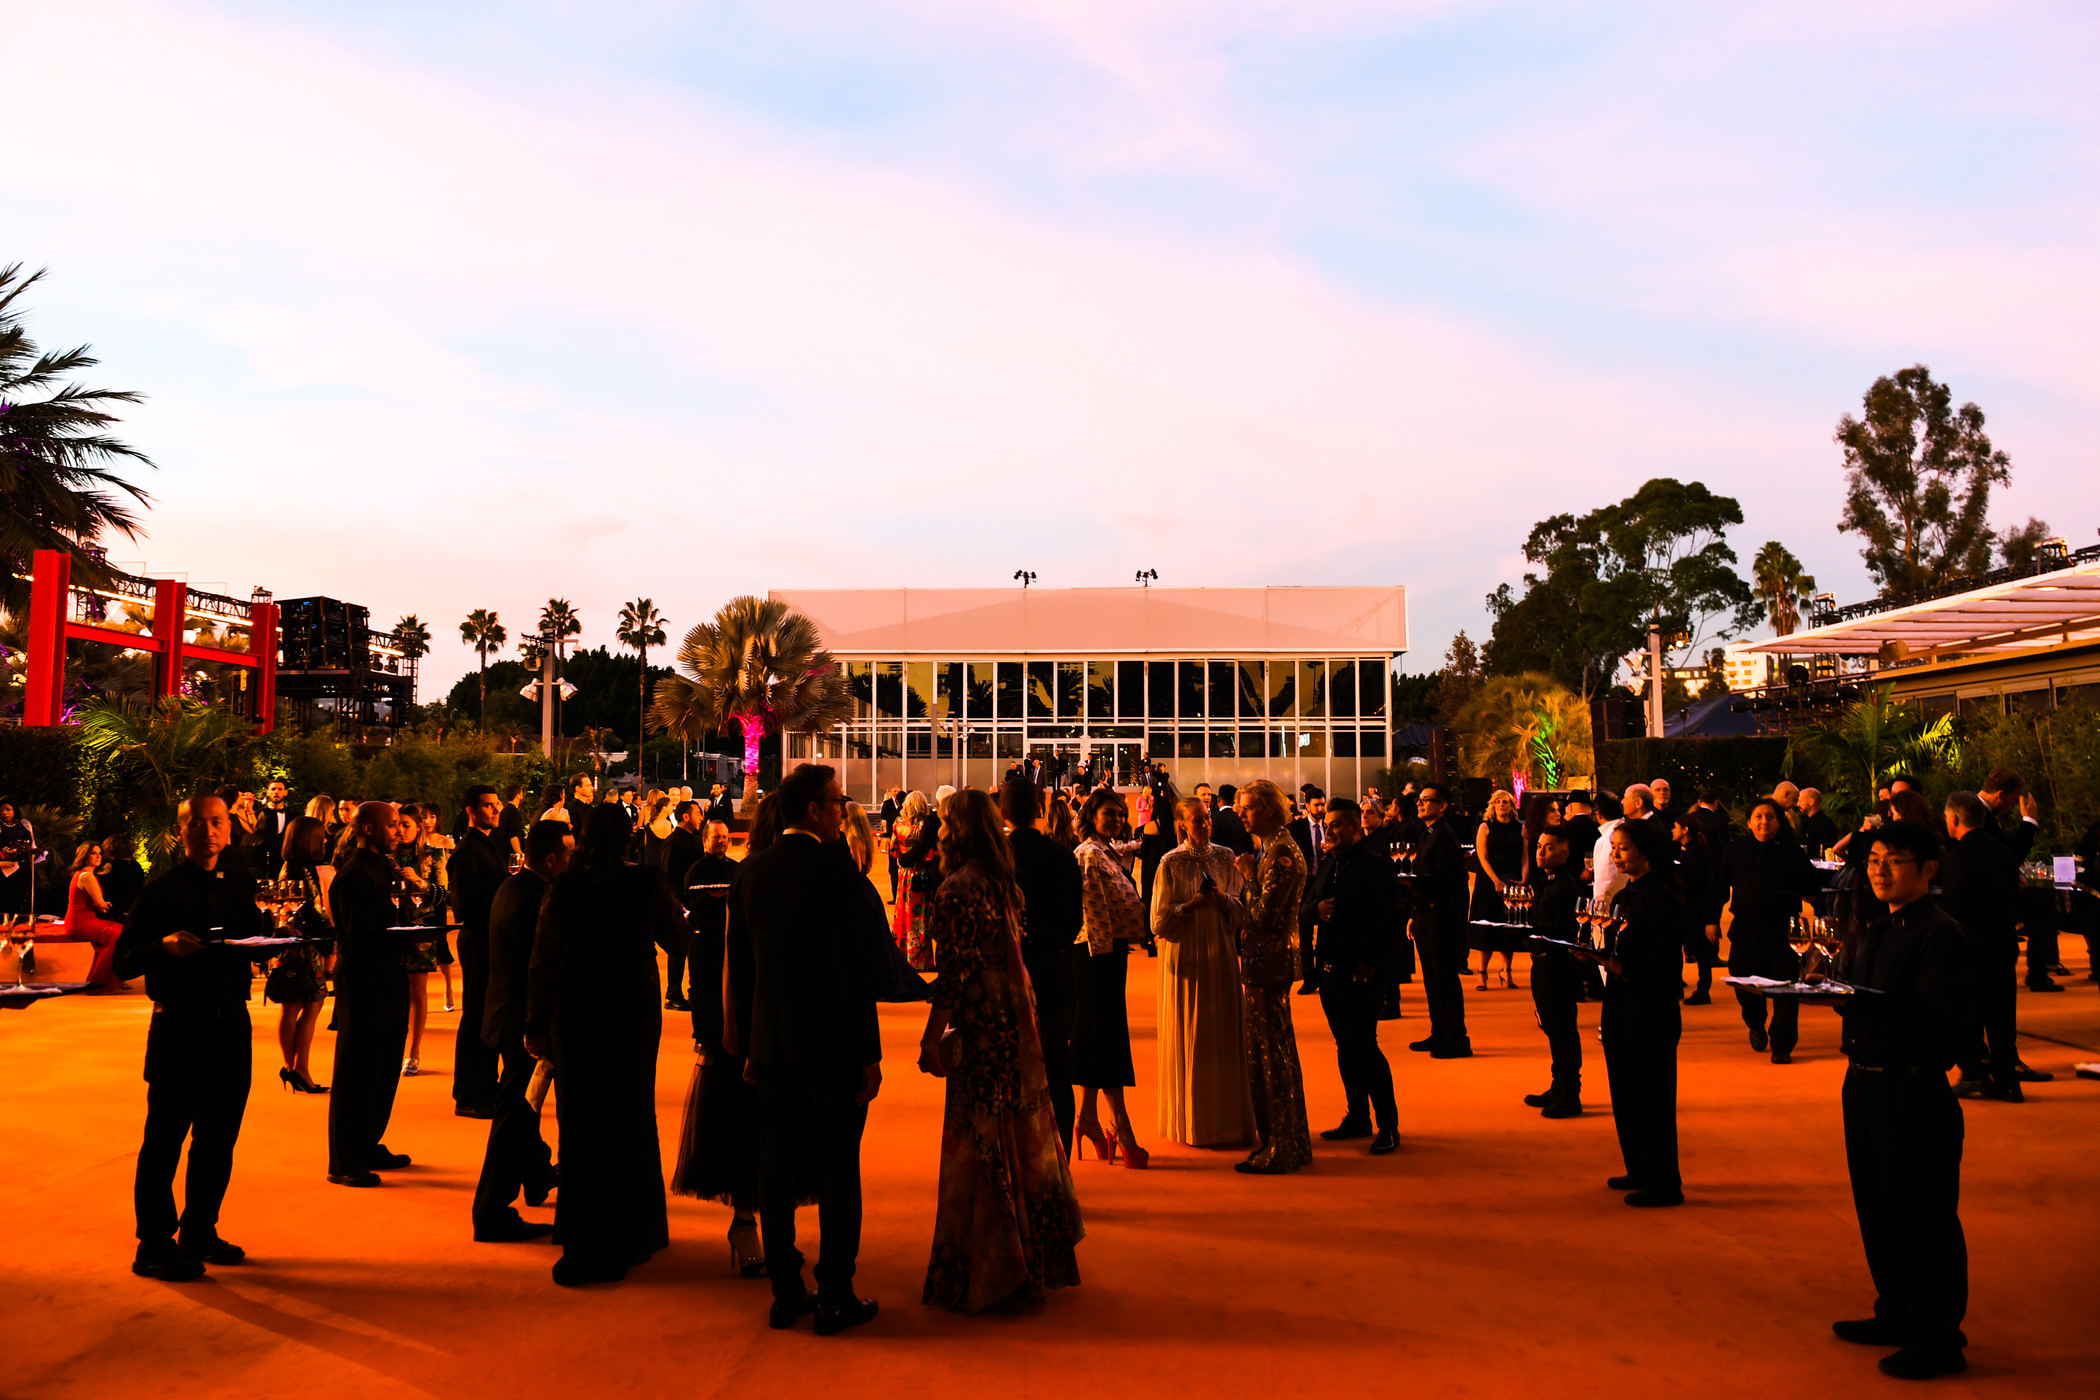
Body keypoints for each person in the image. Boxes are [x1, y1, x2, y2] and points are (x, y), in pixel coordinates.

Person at [916, 788, 1085, 1313]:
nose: (939, 829)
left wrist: (930, 1038)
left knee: (981, 1134)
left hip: (983, 1026)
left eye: (945, 821)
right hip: (1017, 1017)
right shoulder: (1001, 882)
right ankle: (1027, 1256)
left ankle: (993, 1263)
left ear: (958, 828)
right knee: (1018, 1129)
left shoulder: (958, 887)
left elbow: (953, 973)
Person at [734, 764, 883, 1335]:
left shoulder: (753, 871)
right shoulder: (836, 869)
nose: (843, 811)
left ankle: (785, 1291)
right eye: (838, 802)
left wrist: (748, 1043)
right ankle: (835, 1294)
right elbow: (854, 969)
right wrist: (868, 1054)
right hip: (832, 1046)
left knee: (775, 1168)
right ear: (815, 810)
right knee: (839, 1170)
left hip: (771, 1045)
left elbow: (743, 970)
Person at [1827, 821, 1973, 1380]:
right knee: (1878, 1208)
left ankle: (1939, 1336)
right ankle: (1895, 1311)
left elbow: (1943, 1026)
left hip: (1912, 1089)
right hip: (1864, 1082)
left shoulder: (1940, 935)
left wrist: (1862, 1004)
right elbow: (1858, 1001)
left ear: (1929, 869)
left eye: (1894, 860)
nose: (1880, 870)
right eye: (1874, 860)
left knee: (1922, 1216)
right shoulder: (1879, 928)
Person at [113, 795, 268, 1280]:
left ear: (229, 828)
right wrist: (162, 945)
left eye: (217, 822)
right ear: (181, 831)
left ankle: (200, 1230)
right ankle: (154, 1244)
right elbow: (123, 961)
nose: (209, 831)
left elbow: (251, 939)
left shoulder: (240, 882)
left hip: (231, 1024)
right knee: (164, 1139)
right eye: (197, 824)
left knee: (218, 1138)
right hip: (179, 1024)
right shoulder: (160, 891)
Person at [527, 803, 676, 1286]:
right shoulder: (648, 882)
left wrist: (535, 1023)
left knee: (581, 1118)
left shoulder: (565, 887)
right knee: (632, 1112)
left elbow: (544, 957)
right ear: (630, 837)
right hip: (633, 1002)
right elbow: (682, 940)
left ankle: (584, 1234)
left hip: (580, 1005)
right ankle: (637, 1230)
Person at [673, 805, 769, 1275]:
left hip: (766, 1019)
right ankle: (747, 1219)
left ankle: (758, 1222)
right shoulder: (702, 871)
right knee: (744, 1121)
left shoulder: (745, 876)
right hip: (733, 1015)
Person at [472, 820, 565, 1243]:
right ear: (551, 860)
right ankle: (492, 1210)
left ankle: (536, 1174)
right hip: (521, 1024)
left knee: (520, 1112)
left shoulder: (515, 888)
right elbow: (539, 970)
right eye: (569, 854)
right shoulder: (534, 901)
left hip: (505, 1014)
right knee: (515, 1115)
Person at [1587, 817, 1684, 1206]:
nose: (1615, 854)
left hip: (1650, 1006)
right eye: (1614, 848)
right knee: (1624, 1090)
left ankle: (1664, 1181)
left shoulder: (1662, 896)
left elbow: (1662, 960)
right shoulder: (1628, 894)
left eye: (1623, 848)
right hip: (1621, 1001)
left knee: (1652, 1095)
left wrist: (1618, 964)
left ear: (1646, 852)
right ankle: (1639, 1167)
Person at [1150, 796, 1255, 1149]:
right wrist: (1190, 905)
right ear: (1182, 824)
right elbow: (1158, 923)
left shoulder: (1226, 857)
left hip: (1222, 954)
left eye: (1207, 818)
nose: (1204, 825)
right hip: (1186, 956)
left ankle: (1227, 1118)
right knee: (1191, 1030)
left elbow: (1242, 913)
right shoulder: (1170, 863)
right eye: (1196, 820)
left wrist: (1224, 901)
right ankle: (1194, 1121)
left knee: (1222, 1029)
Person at [326, 802, 415, 1187]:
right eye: (392, 825)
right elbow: (357, 935)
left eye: (399, 825)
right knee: (358, 1066)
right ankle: (344, 1158)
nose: (398, 831)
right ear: (366, 828)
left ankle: (368, 1141)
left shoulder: (386, 868)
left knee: (384, 1063)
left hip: (390, 971)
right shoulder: (353, 874)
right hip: (363, 976)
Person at [1230, 781, 1314, 1174]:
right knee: (1269, 1055)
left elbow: (1266, 915)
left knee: (1272, 1057)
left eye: (1247, 807)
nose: (1241, 814)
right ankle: (1285, 1141)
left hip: (1270, 964)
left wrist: (1247, 878)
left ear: (1268, 809)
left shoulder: (1280, 850)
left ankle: (1283, 1146)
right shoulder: (1273, 846)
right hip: (1264, 963)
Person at [1312, 798, 1401, 1155]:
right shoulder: (1328, 866)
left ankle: (1388, 1125)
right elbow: (1306, 906)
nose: (1329, 830)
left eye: (1336, 825)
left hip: (1362, 973)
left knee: (1364, 1046)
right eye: (1328, 824)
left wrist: (1372, 964)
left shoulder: (1376, 866)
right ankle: (1357, 1116)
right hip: (1330, 971)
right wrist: (1314, 910)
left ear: (1354, 827)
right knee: (1344, 1047)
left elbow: (1391, 919)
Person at [1003, 778, 1081, 1155]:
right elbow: (1075, 918)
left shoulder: (1000, 856)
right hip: (1057, 966)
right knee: (1056, 1069)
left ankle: (1019, 1160)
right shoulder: (1063, 855)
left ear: (1003, 812)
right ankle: (1061, 1160)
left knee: (1013, 1069)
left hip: (1014, 969)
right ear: (1039, 809)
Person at [1072, 788, 1147, 1168]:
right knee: (1107, 1036)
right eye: (1108, 813)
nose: (1116, 819)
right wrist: (1103, 952)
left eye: (1120, 813)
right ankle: (1121, 1123)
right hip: (1096, 953)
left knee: (1095, 1035)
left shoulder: (1107, 851)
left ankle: (1086, 1117)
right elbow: (1091, 909)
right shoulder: (1089, 853)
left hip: (1110, 952)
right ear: (1091, 815)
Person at [1720, 797, 1817, 1064]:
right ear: (1749, 821)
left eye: (1770, 817)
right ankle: (1755, 1023)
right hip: (1745, 929)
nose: (1765, 821)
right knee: (1743, 982)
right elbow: (1717, 886)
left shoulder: (1792, 851)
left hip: (1784, 930)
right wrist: (1709, 921)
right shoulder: (1735, 850)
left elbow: (1811, 885)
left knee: (1787, 988)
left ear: (1779, 821)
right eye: (1759, 817)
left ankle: (1782, 1045)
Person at [1943, 792, 2025, 1103]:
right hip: (2003, 941)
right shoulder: (2002, 850)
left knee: (1969, 1014)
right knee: (2002, 1015)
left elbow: (1955, 903)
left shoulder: (1959, 856)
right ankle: (2007, 1081)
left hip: (1971, 944)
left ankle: (1974, 1073)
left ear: (1954, 819)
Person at [450, 786, 510, 1119]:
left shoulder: (490, 846)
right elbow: (465, 905)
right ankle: (469, 1094)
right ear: (471, 810)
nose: (496, 810)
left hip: (493, 940)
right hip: (478, 941)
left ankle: (486, 1086)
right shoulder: (467, 852)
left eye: (498, 804)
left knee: (489, 1016)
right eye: (489, 806)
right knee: (476, 1016)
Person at [264, 816, 334, 1093]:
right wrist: (330, 939)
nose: (326, 841)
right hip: (301, 946)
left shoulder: (295, 867)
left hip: (297, 944)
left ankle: (294, 1068)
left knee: (296, 1006)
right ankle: (298, 1068)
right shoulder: (296, 870)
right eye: (321, 836)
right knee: (306, 1004)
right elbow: (305, 910)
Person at [1408, 784, 1472, 1058]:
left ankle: (1456, 1037)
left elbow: (1450, 881)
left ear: (1443, 805)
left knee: (1444, 978)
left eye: (1426, 800)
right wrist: (1413, 912)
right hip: (1425, 912)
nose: (1420, 804)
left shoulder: (1444, 836)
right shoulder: (1428, 833)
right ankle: (1439, 1032)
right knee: (1432, 979)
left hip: (1440, 914)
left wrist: (1415, 884)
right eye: (1419, 800)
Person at [1523, 828, 1584, 1117]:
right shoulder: (1546, 881)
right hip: (1542, 963)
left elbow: (1562, 931)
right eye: (1539, 847)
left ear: (1564, 851)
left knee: (1562, 1029)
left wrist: (1532, 932)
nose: (1541, 852)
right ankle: (1558, 1084)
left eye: (1548, 847)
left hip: (1558, 965)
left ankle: (1570, 1092)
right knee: (1551, 1027)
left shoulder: (1566, 885)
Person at [394, 805, 448, 1076]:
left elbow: (442, 895)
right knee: (393, 993)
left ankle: (414, 1052)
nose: (401, 830)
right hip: (388, 929)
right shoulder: (383, 856)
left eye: (406, 825)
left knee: (417, 991)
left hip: (420, 929)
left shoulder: (432, 856)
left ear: (418, 827)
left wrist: (419, 881)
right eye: (397, 825)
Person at [1469, 789, 1527, 990]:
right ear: (1493, 805)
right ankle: (1482, 974)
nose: (1502, 804)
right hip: (1488, 882)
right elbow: (1482, 858)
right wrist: (1495, 880)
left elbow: (1525, 858)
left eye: (1506, 802)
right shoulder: (1485, 827)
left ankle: (1507, 972)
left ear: (1512, 806)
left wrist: (1524, 879)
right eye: (1498, 802)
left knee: (1508, 929)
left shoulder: (1520, 828)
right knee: (1487, 928)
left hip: (1512, 882)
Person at [658, 800, 708, 1009]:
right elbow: (667, 875)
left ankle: (691, 991)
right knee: (678, 951)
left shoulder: (694, 840)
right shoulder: (673, 842)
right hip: (680, 904)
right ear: (686, 816)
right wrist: (676, 903)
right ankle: (673, 995)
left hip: (695, 901)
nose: (701, 818)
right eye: (697, 813)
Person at [1671, 812, 1722, 1006]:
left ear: (1685, 830)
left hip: (1696, 909)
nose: (1672, 831)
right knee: (1698, 951)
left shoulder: (1695, 854)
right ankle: (1700, 988)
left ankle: (1703, 990)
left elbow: (1697, 885)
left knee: (1701, 952)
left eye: (1675, 827)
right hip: (1691, 909)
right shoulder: (1689, 851)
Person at [63, 841, 125, 988]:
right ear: (85, 856)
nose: (98, 856)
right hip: (80, 923)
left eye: (100, 853)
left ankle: (103, 978)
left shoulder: (85, 874)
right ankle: (102, 981)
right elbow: (100, 905)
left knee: (120, 931)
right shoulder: (87, 877)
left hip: (82, 919)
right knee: (116, 935)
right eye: (93, 853)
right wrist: (107, 905)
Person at [892, 791, 937, 970]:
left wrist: (902, 857)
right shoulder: (924, 825)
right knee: (919, 916)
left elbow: (894, 850)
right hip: (920, 874)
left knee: (902, 912)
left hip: (903, 874)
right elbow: (929, 854)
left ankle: (900, 956)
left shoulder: (898, 823)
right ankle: (918, 959)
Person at [255, 779, 294, 875]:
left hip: (283, 862)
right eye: (273, 789)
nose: (276, 792)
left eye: (280, 789)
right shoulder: (258, 814)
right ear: (267, 792)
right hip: (261, 862)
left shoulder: (293, 815)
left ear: (286, 792)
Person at [1798, 788, 1841, 856]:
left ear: (1811, 802)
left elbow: (1826, 850)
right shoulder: (1804, 822)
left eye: (1800, 801)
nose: (1797, 804)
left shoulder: (1826, 824)